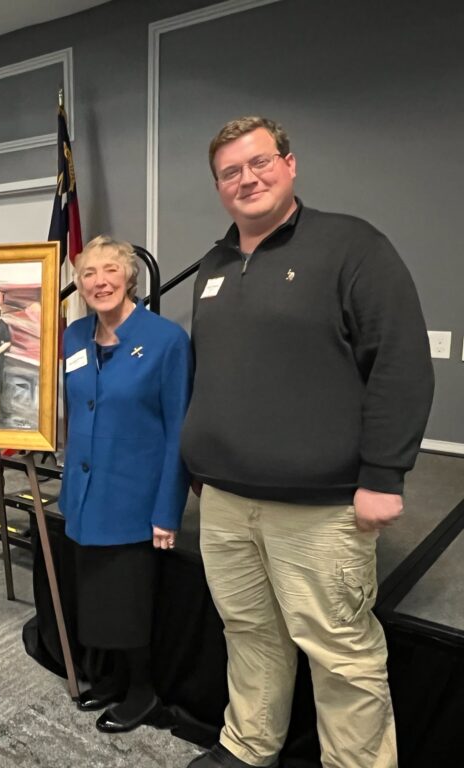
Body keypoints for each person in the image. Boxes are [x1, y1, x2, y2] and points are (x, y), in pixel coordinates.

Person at [182, 117, 434, 768]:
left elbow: (400, 362)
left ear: (290, 164)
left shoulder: (351, 246)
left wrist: (384, 474)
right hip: (226, 504)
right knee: (250, 633)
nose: (248, 178)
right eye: (230, 172)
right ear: (218, 187)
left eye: (260, 162)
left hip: (321, 508)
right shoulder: (211, 266)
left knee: (341, 653)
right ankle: (248, 745)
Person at [59, 235, 192, 734]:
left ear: (129, 277)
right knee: (96, 597)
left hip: (135, 498)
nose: (100, 282)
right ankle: (112, 680)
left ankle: (142, 692)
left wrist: (167, 510)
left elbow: (180, 429)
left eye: (110, 270)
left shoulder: (166, 341)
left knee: (129, 601)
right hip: (84, 494)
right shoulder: (73, 337)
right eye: (89, 273)